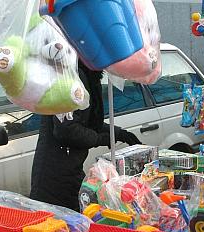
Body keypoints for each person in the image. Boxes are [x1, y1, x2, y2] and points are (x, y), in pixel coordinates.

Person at [29, 60, 141, 211]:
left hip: (71, 167)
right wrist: (100, 138)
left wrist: (118, 133)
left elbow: (88, 122)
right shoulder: (70, 78)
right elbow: (66, 129)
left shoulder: (88, 76)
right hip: (53, 174)